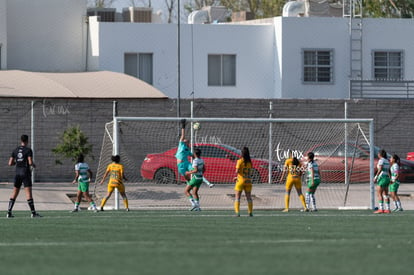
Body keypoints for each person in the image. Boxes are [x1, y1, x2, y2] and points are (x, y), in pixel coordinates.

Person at [7, 134, 41, 218]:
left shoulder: (15, 150)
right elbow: (30, 162)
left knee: (14, 192)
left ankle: (9, 212)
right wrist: (33, 165)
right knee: (28, 193)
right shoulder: (28, 150)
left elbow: (10, 163)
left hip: (17, 173)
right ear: (27, 141)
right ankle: (33, 213)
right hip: (25, 173)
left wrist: (17, 162)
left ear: (21, 140)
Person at [176, 119, 214, 187]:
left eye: (186, 140)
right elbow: (182, 136)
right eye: (184, 139)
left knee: (196, 172)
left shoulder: (187, 149)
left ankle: (208, 183)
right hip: (181, 165)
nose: (185, 139)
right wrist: (183, 126)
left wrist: (198, 161)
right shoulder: (181, 145)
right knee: (187, 178)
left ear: (188, 143)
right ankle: (190, 191)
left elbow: (194, 156)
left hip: (187, 163)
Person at [234, 147, 254, 217]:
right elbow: (251, 172)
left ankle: (237, 213)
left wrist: (236, 177)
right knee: (249, 197)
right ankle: (250, 212)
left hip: (240, 181)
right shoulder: (250, 162)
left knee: (237, 197)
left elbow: (237, 171)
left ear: (242, 153)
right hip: (248, 181)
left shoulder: (239, 161)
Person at [373, 149, 391, 214]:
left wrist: (376, 176)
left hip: (382, 178)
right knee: (385, 194)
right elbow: (389, 170)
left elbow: (380, 169)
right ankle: (388, 209)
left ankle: (381, 209)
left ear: (380, 154)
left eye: (378, 153)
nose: (377, 154)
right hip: (387, 178)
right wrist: (390, 178)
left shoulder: (381, 160)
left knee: (379, 194)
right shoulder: (387, 161)